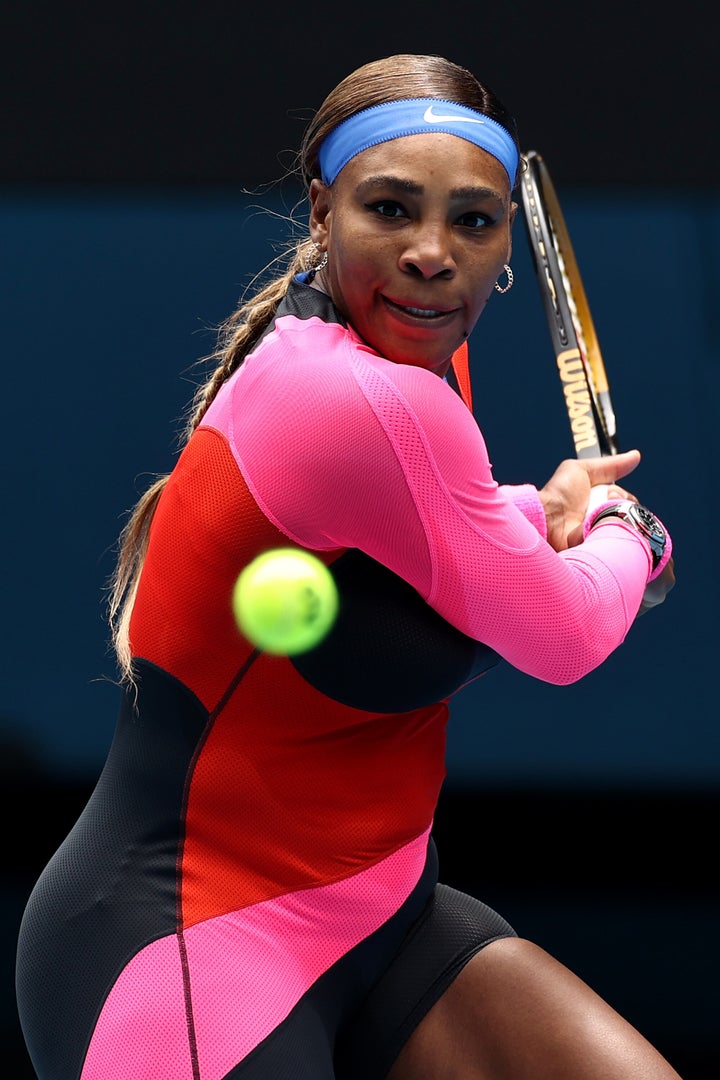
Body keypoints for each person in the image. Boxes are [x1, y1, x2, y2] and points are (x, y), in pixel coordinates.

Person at [16, 53, 679, 1080]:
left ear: (507, 237)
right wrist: (632, 533)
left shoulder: (383, 358)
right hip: (189, 949)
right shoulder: (370, 396)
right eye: (391, 209)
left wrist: (538, 512)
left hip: (382, 914)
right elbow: (561, 633)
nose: (431, 253)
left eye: (472, 219)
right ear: (322, 212)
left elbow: (425, 537)